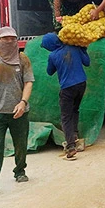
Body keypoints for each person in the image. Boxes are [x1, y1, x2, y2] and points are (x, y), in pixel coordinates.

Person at [0, 26, 35, 201]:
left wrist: (23, 102)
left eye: (12, 38)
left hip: (19, 112)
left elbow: (29, 82)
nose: (9, 41)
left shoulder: (23, 60)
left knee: (20, 143)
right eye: (5, 38)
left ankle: (20, 170)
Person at [41, 32, 90, 161]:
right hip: (81, 84)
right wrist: (83, 50)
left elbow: (49, 72)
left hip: (67, 88)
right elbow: (87, 62)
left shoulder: (53, 55)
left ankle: (71, 147)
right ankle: (75, 136)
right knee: (75, 110)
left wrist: (54, 60)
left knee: (66, 117)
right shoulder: (74, 48)